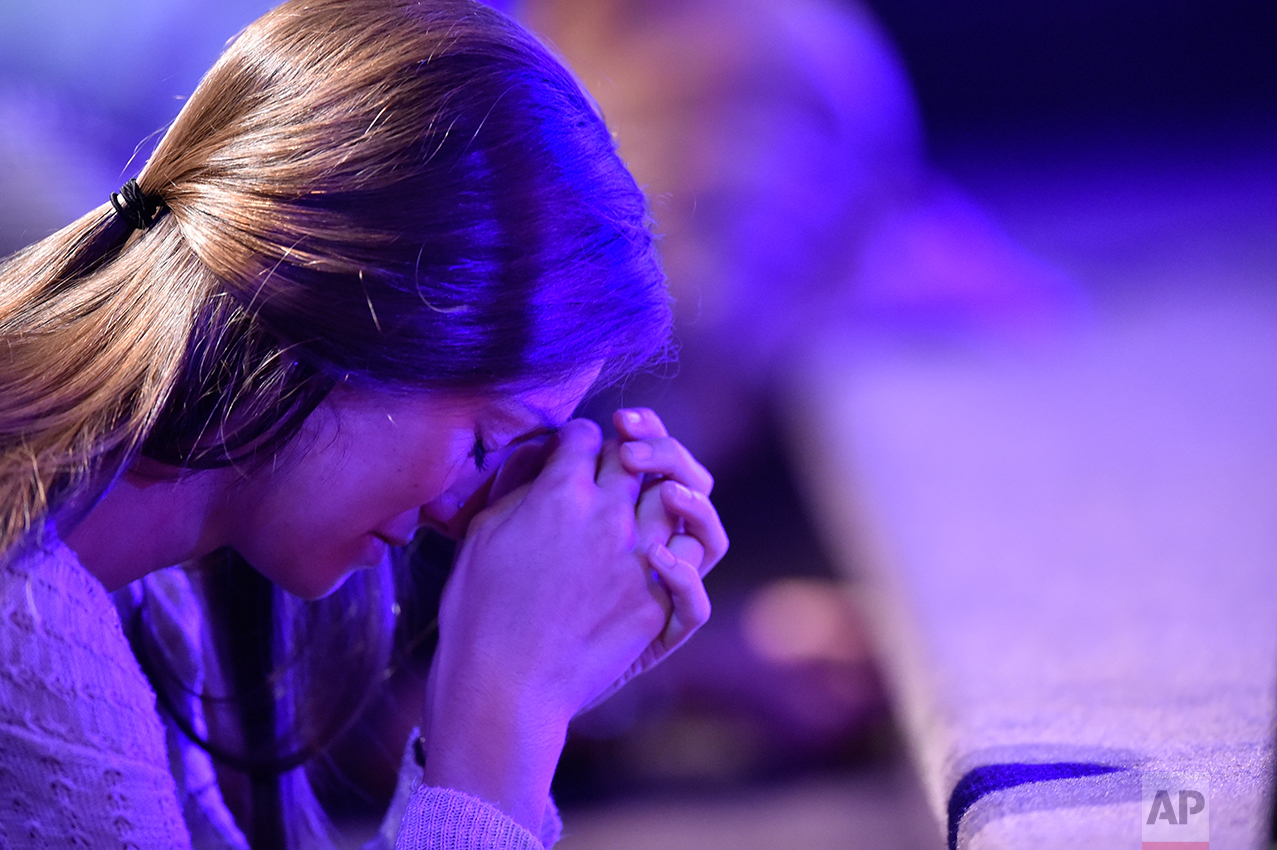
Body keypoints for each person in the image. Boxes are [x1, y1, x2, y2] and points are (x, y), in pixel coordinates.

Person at [0, 0, 727, 847]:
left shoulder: (133, 591)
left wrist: (540, 693)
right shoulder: (30, 625)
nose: (465, 515)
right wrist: (502, 709)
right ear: (343, 320)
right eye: (488, 441)